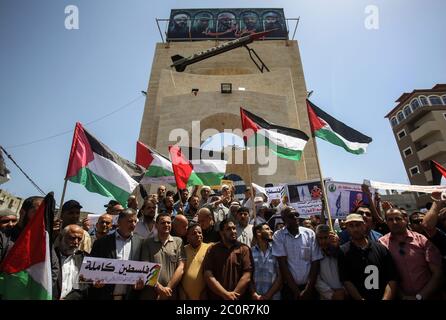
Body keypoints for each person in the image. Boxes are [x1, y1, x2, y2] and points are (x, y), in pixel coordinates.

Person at [379, 208, 443, 300]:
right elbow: (387, 276)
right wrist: (403, 297)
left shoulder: (422, 240)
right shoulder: (382, 243)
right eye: (390, 219)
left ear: (405, 219)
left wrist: (420, 297)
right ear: (386, 222)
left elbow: (437, 273)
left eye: (398, 218)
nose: (394, 222)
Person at [338, 214, 398, 300]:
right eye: (351, 226)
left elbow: (391, 278)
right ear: (347, 228)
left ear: (364, 226)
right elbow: (346, 280)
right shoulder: (343, 251)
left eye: (358, 225)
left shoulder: (381, 248)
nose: (355, 229)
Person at [89, 208, 144, 300]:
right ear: (119, 222)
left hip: (129, 296)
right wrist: (94, 281)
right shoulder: (101, 243)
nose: (133, 224)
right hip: (104, 295)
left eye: (135, 221)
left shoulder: (140, 242)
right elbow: (90, 270)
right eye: (130, 221)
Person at [272, 207, 323, 300]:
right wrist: (296, 291)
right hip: (290, 289)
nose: (295, 218)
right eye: (291, 216)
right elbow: (283, 265)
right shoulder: (278, 236)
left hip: (311, 288)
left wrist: (308, 289)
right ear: (284, 219)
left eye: (297, 215)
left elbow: (315, 262)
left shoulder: (309, 233)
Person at [139, 213, 186, 300]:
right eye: (163, 223)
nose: (166, 225)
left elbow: (181, 267)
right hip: (150, 294)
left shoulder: (178, 241)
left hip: (170, 294)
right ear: (156, 225)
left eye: (169, 223)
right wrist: (158, 287)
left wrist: (167, 289)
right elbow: (145, 267)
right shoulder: (147, 243)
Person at [203, 219, 253, 300]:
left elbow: (247, 274)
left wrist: (233, 296)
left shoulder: (244, 249)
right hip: (217, 297)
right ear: (221, 233)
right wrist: (225, 294)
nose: (233, 231)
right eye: (229, 229)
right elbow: (208, 274)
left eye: (234, 228)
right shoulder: (212, 249)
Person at [54, 225, 88, 300]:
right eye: (72, 238)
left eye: (79, 239)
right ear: (60, 238)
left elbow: (82, 287)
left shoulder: (82, 259)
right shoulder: (50, 256)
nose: (76, 242)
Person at [180, 223, 212, 299]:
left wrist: (207, 290)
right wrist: (181, 291)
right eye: (194, 233)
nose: (198, 235)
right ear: (187, 238)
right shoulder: (182, 250)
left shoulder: (209, 248)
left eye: (200, 232)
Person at [251, 223, 281, 300]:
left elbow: (280, 276)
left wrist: (268, 295)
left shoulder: (277, 251)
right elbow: (248, 276)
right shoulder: (250, 252)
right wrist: (254, 294)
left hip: (274, 297)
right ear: (258, 232)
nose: (271, 231)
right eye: (267, 229)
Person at [315, 225, 345, 300]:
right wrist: (330, 294)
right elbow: (316, 278)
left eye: (326, 238)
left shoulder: (341, 251)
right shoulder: (315, 254)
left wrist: (344, 290)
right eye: (320, 238)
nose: (323, 241)